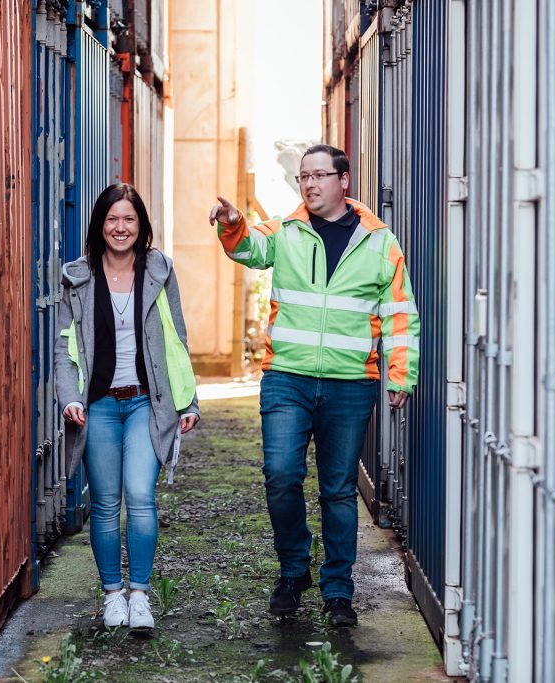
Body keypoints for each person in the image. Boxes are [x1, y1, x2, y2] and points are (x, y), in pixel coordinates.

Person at [208, 144, 419, 626]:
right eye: (304, 176)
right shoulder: (286, 230)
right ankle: (293, 569)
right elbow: (247, 248)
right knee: (281, 475)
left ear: (344, 181)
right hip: (288, 378)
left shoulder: (379, 241)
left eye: (320, 175)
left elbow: (399, 314)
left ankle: (338, 590)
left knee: (338, 490)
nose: (309, 183)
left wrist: (401, 372)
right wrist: (233, 222)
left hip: (350, 384)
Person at [56, 183, 199, 632]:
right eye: (112, 219)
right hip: (97, 404)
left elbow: (176, 338)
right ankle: (112, 595)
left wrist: (188, 400)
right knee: (104, 503)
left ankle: (139, 596)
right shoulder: (78, 277)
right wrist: (70, 397)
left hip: (145, 403)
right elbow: (64, 349)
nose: (120, 228)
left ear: (141, 225)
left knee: (139, 495)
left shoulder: (159, 271)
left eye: (129, 219)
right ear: (100, 225)